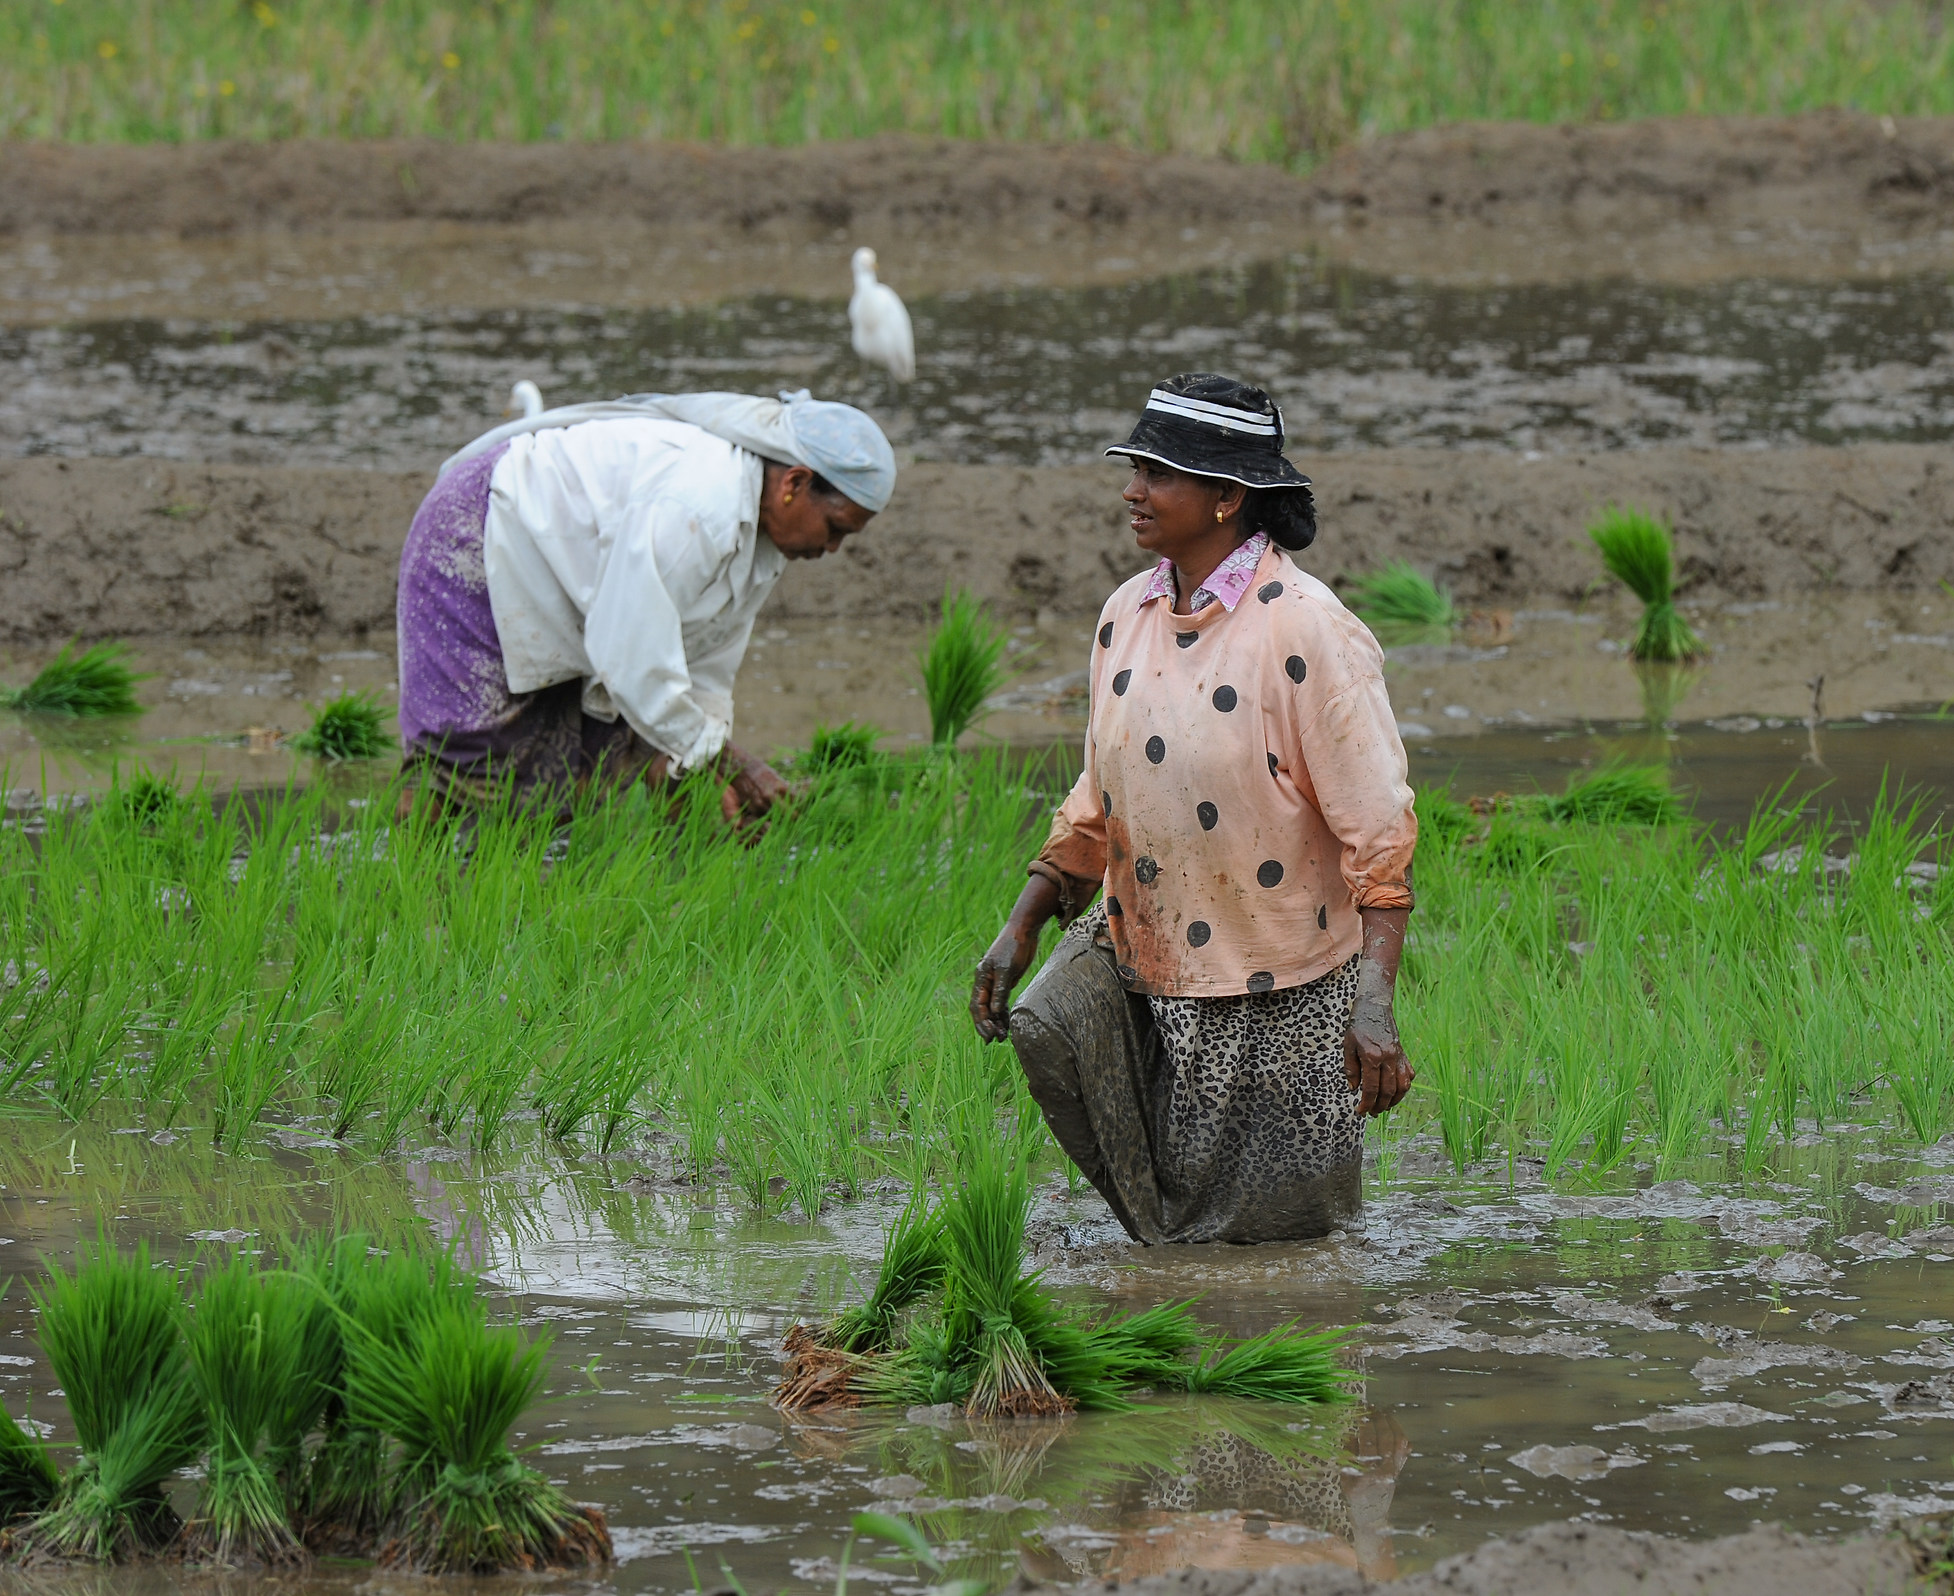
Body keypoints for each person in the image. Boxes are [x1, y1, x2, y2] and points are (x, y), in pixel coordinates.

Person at [970, 373, 1417, 1244]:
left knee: (1280, 1239)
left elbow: (1380, 834)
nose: (1132, 491)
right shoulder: (1126, 613)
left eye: (1158, 473)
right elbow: (1100, 791)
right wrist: (1022, 921)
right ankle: (1169, 1274)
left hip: (1278, 979)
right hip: (1147, 943)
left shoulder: (1307, 630)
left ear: (1228, 497)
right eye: (1134, 468)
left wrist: (1373, 1007)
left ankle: (1235, 1338)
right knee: (1053, 1032)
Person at [395, 389, 893, 821]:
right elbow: (628, 657)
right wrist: (733, 762)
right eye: (835, 530)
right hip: (480, 534)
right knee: (461, 757)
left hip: (575, 589)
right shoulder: (697, 504)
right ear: (794, 485)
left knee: (575, 770)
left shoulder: (763, 543)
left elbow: (705, 664)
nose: (831, 550)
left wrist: (701, 768)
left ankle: (513, 902)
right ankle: (402, 891)